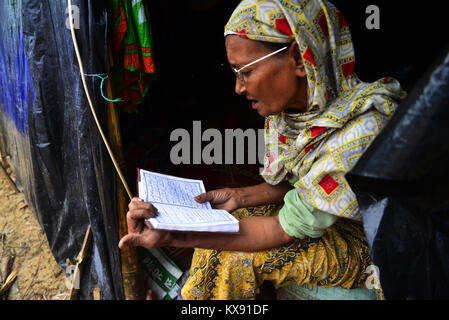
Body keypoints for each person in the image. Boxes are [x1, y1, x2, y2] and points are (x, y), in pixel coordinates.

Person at [118, 0, 406, 300]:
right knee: (220, 236)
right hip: (321, 222)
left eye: (245, 71)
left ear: (297, 57)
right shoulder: (295, 116)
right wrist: (239, 196)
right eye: (234, 73)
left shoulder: (359, 132)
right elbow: (301, 188)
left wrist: (172, 235)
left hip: (371, 245)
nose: (238, 88)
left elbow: (284, 228)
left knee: (235, 259)